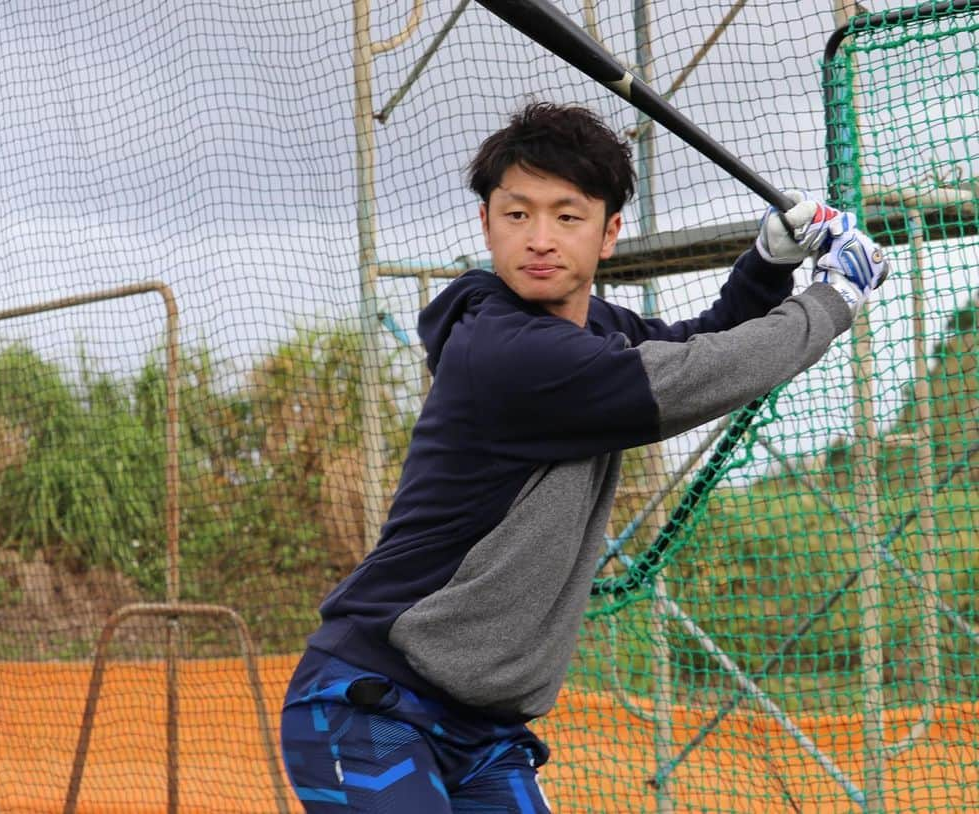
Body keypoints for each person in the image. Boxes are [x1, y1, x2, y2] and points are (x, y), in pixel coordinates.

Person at [279, 102, 886, 811]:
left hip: (484, 730)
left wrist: (767, 263)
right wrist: (836, 295)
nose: (540, 238)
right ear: (486, 225)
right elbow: (695, 377)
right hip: (370, 706)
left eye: (567, 216)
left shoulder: (592, 332)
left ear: (608, 234)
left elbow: (698, 340)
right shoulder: (509, 354)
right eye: (517, 215)